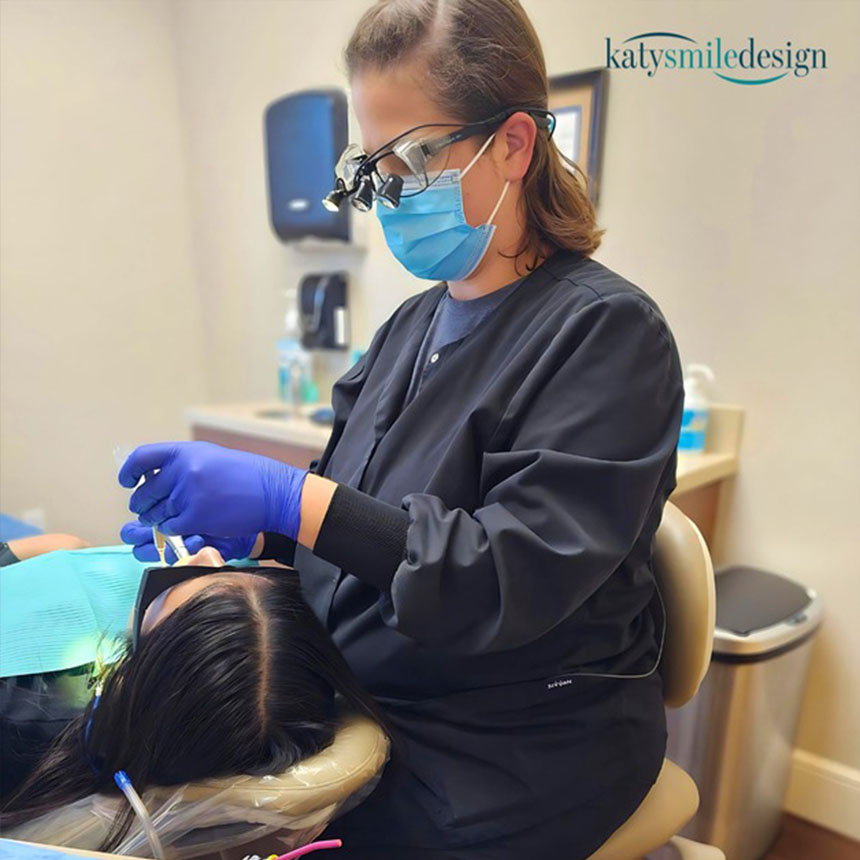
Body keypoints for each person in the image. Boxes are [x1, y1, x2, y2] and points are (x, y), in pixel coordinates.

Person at [117, 1, 685, 856]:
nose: (388, 193)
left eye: (414, 156)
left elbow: (496, 579)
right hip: (374, 693)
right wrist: (248, 545)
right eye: (370, 166)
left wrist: (289, 495)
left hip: (517, 739)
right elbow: (353, 524)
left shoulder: (608, 336)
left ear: (515, 146)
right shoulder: (411, 328)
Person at [0, 544, 389, 851]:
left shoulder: (19, 715)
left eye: (180, 579)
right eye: (250, 571)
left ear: (143, 667)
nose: (207, 553)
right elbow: (61, 545)